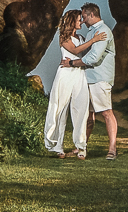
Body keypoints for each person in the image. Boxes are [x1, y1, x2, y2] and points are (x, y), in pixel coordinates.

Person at [43, 10, 104, 158]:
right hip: (65, 75)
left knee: (81, 109)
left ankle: (81, 146)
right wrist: (93, 40)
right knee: (60, 109)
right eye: (78, 20)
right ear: (72, 22)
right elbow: (75, 50)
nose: (81, 22)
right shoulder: (64, 38)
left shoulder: (81, 37)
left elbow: (86, 53)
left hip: (79, 73)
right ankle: (57, 146)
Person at [63, 2, 117, 160]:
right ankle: (81, 147)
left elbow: (93, 58)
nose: (83, 20)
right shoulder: (93, 32)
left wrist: (72, 63)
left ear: (92, 14)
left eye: (84, 16)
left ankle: (112, 149)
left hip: (99, 78)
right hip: (88, 78)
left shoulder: (103, 31)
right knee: (88, 116)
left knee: (107, 113)